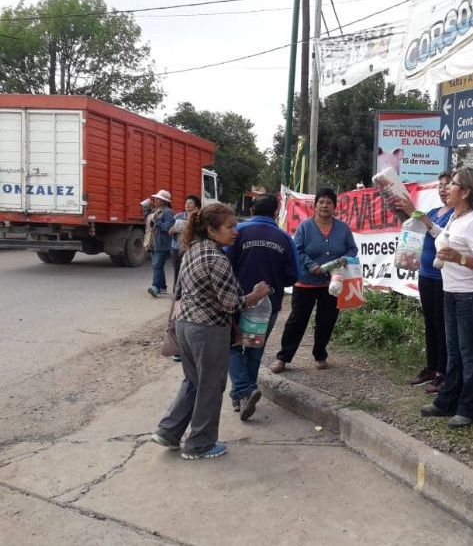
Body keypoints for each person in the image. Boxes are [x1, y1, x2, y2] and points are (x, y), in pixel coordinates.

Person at [150, 203, 269, 460]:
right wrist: (256, 295)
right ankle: (200, 444)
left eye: (235, 225)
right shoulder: (216, 258)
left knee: (193, 381)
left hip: (185, 326)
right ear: (212, 230)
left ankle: (168, 431)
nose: (235, 231)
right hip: (208, 330)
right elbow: (231, 304)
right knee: (211, 386)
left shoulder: (191, 250)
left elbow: (181, 291)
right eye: (230, 227)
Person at [420, 168, 473, 428]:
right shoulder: (456, 217)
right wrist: (429, 226)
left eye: (453, 184)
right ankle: (447, 401)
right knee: (453, 352)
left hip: (472, 298)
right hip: (452, 293)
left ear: (465, 192)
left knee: (469, 354)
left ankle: (471, 409)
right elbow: (445, 238)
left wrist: (459, 258)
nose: (447, 188)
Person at [226, 195, 301, 420]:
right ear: (276, 213)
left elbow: (223, 264)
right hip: (268, 305)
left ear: (251, 210)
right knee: (253, 348)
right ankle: (244, 393)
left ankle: (243, 391)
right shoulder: (284, 238)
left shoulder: (236, 232)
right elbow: (294, 275)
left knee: (231, 347)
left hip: (236, 302)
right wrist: (274, 282)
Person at [269, 188, 357, 373]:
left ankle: (320, 354)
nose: (325, 206)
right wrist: (310, 265)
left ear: (335, 206)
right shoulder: (305, 227)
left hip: (333, 283)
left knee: (327, 320)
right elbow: (297, 250)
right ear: (315, 205)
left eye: (329, 202)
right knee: (297, 320)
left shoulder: (342, 228)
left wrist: (343, 259)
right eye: (322, 202)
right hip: (305, 282)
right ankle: (283, 358)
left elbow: (352, 250)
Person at [393, 172, 453, 394]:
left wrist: (419, 216)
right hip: (425, 274)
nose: (444, 189)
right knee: (430, 322)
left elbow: (441, 237)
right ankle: (431, 367)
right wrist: (399, 208)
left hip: (443, 278)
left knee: (443, 324)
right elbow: (413, 225)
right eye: (441, 185)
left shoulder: (455, 216)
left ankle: (443, 372)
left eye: (449, 185)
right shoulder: (433, 212)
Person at [146, 189, 175, 298]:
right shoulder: (156, 210)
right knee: (157, 265)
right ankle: (162, 287)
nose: (156, 200)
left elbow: (168, 227)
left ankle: (156, 287)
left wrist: (157, 223)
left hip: (162, 242)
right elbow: (149, 223)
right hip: (154, 241)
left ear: (164, 201)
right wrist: (147, 211)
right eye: (156, 198)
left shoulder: (168, 212)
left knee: (157, 265)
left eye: (159, 199)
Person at [170, 194, 201, 289]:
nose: (187, 205)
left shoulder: (199, 218)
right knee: (177, 271)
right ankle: (177, 293)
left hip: (192, 248)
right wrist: (173, 230)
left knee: (191, 272)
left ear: (196, 206)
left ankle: (189, 291)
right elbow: (170, 231)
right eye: (186, 203)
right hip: (177, 247)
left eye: (190, 203)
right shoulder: (178, 216)